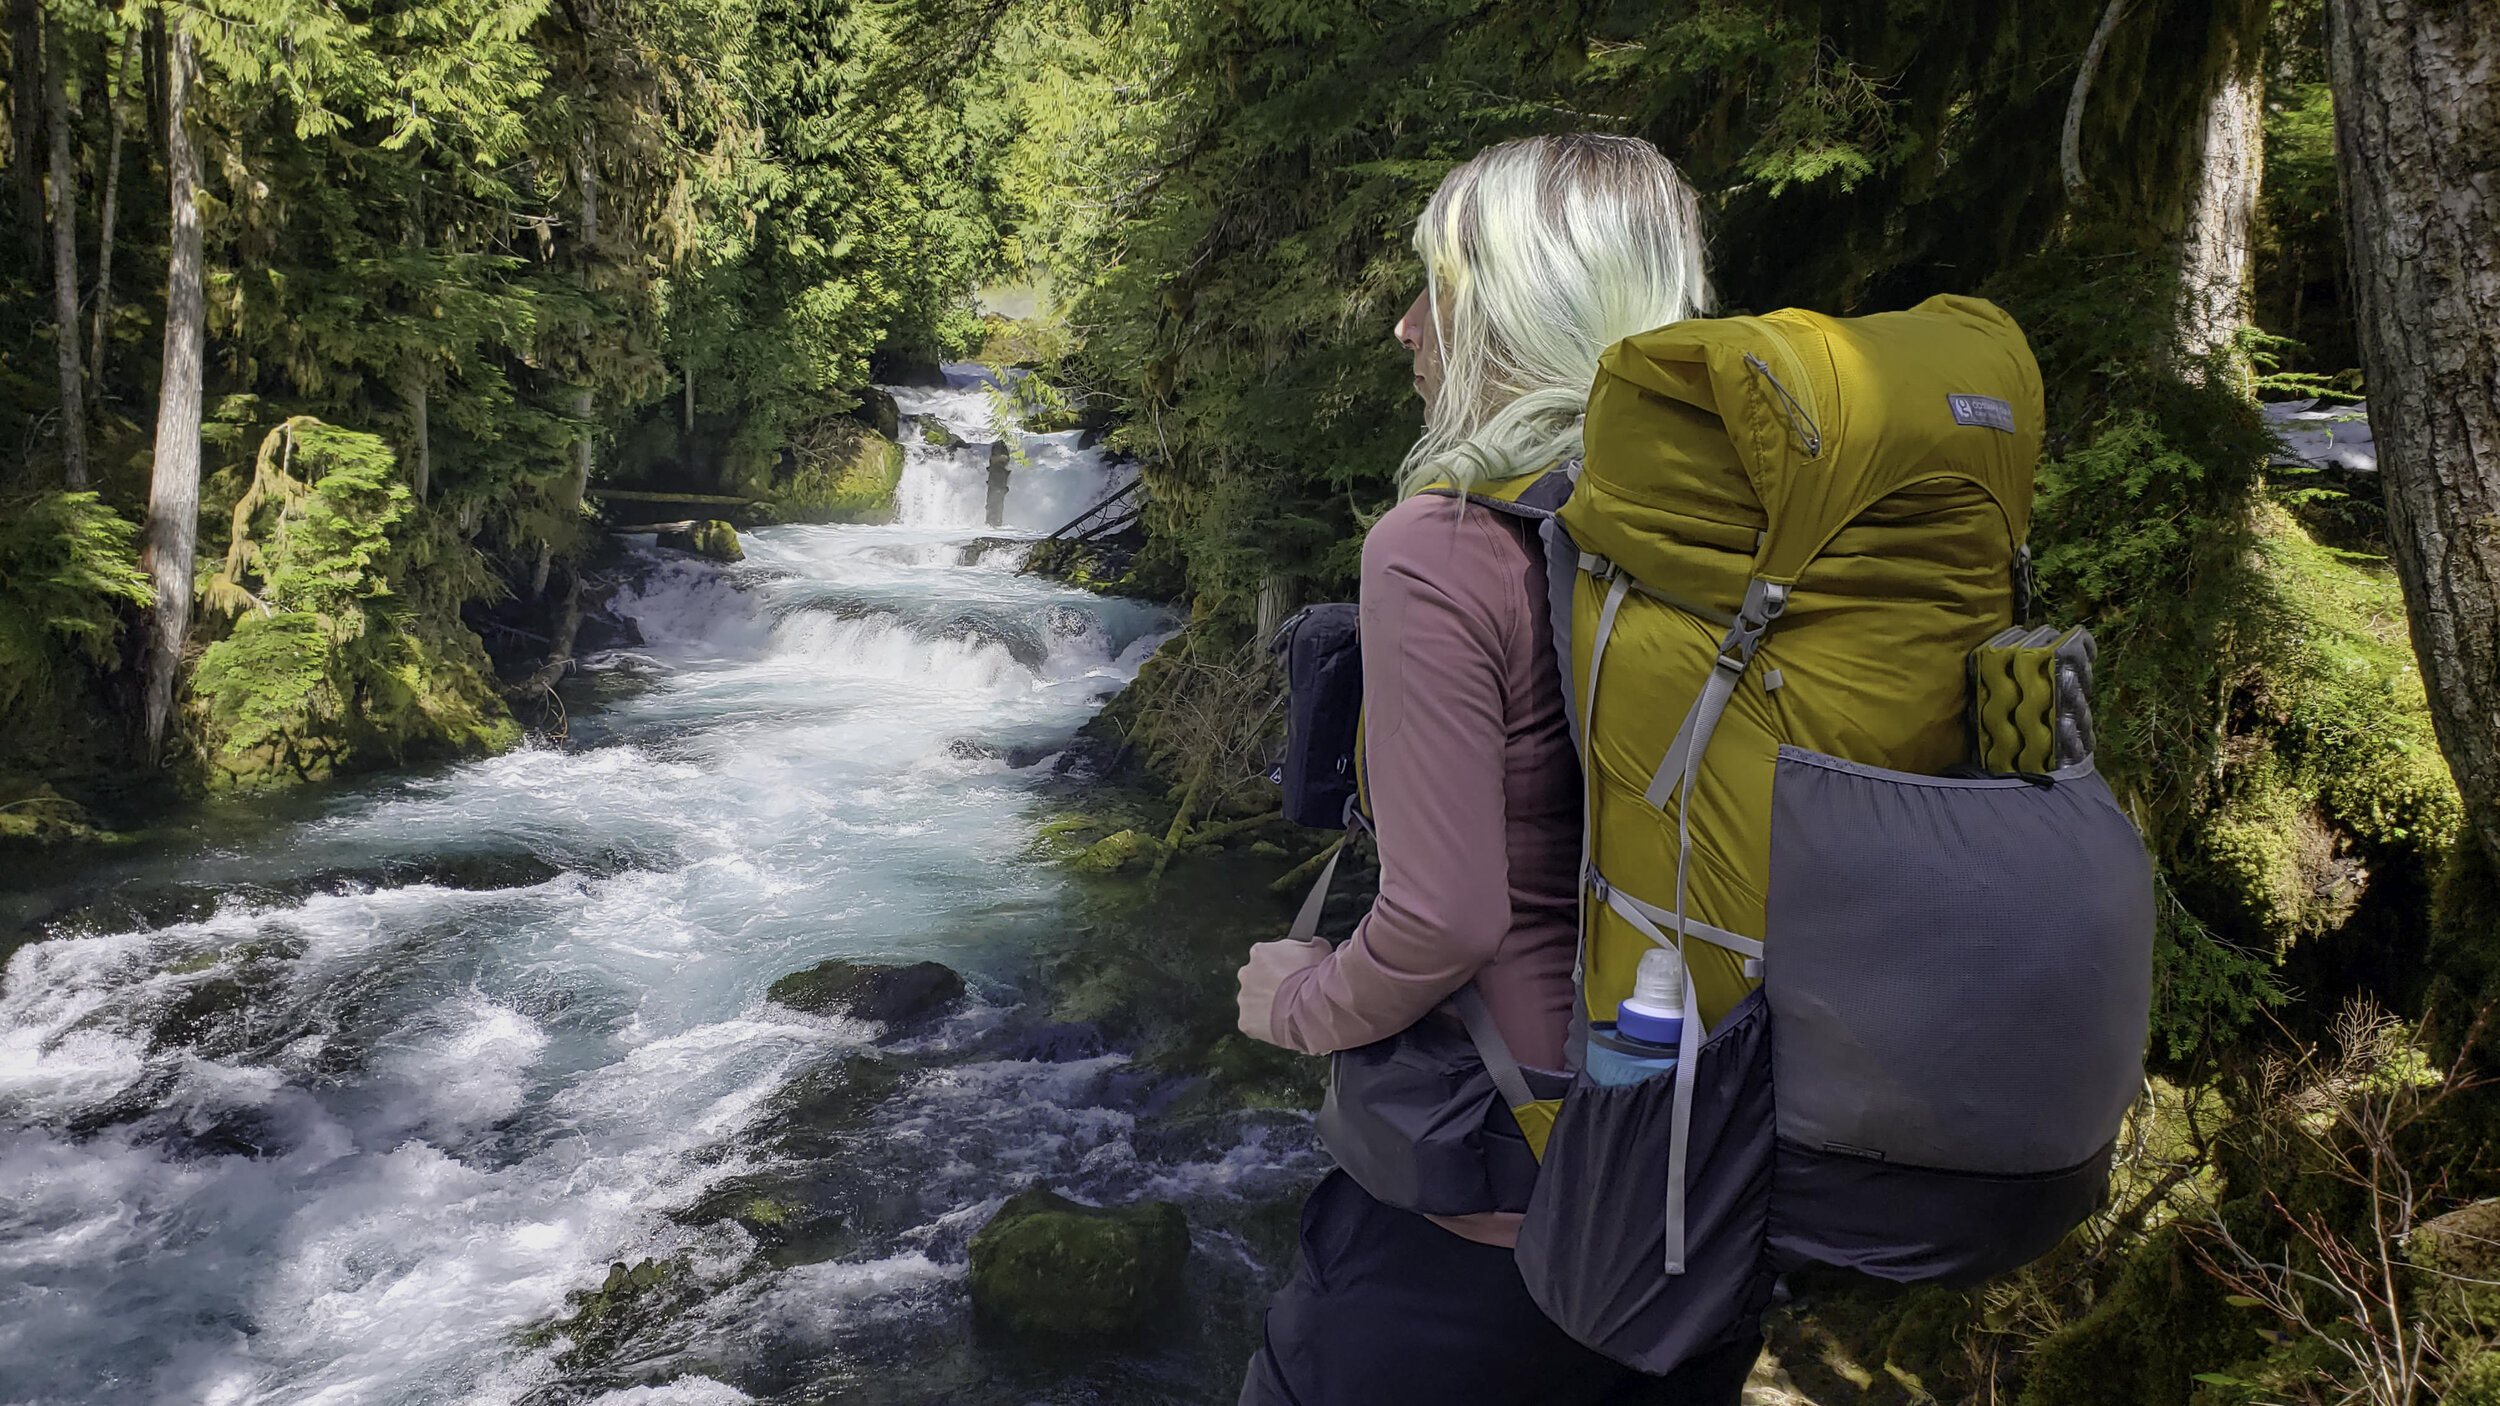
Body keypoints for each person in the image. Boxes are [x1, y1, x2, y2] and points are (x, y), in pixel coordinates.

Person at [1231, 134, 1764, 1406]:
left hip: (1485, 1234)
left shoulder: (1442, 544)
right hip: (1699, 1206)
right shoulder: (1746, 533)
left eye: (1443, 292)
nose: (1409, 330)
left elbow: (1443, 917)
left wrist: (1298, 1001)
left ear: (1526, 316)